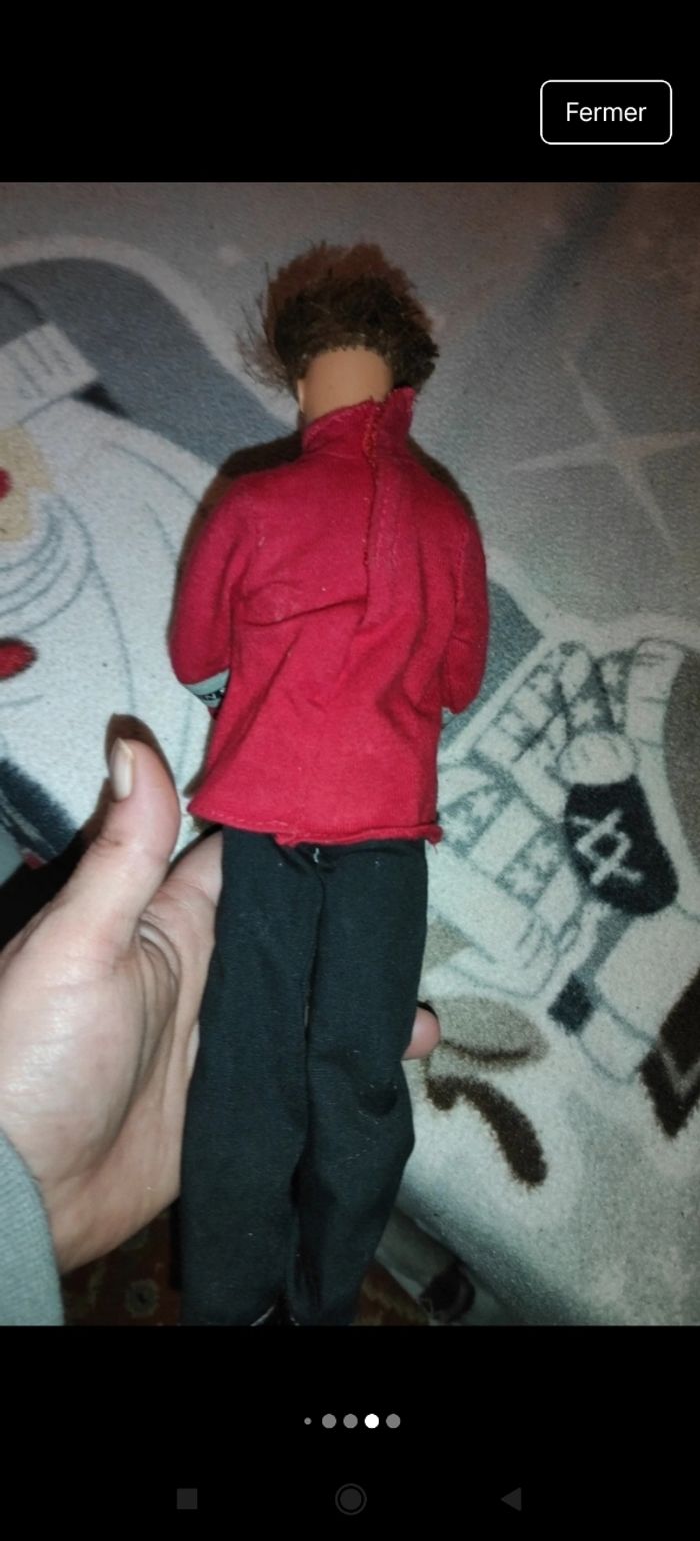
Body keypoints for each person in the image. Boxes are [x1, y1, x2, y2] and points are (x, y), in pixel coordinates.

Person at [169, 244, 489, 1327]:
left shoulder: (253, 501)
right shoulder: (447, 517)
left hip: (264, 825)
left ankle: (229, 1305)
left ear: (303, 378)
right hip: (387, 833)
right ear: (402, 380)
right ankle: (324, 1303)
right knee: (360, 1078)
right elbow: (460, 679)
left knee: (244, 1072)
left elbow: (192, 650)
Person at [0, 737, 441, 1327]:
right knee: (335, 1086)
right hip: (357, 826)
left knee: (341, 1087)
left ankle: (268, 1299)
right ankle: (268, 1299)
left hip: (345, 826)